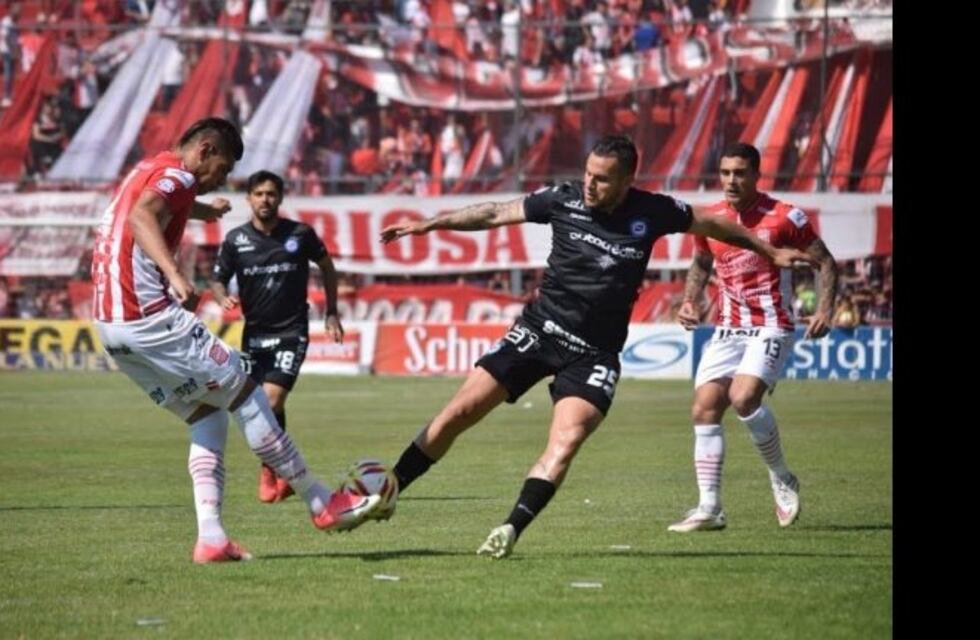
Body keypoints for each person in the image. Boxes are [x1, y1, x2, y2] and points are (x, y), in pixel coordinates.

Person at [379, 134, 813, 558]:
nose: (590, 184)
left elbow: (714, 223)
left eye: (602, 179)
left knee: (565, 442)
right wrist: (430, 223)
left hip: (593, 356)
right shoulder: (562, 198)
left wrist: (767, 251)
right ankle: (389, 489)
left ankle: (511, 528)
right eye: (588, 174)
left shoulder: (655, 210)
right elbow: (494, 212)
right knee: (460, 412)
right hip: (538, 332)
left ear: (627, 182)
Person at [90, 118, 378, 564]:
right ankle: (323, 503)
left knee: (207, 414)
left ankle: (212, 538)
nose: (217, 180)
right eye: (220, 169)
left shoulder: (148, 168)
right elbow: (142, 215)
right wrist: (174, 274)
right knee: (248, 394)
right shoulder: (180, 175)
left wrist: (204, 210)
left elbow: (150, 203)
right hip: (146, 314)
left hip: (111, 329)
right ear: (205, 149)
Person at [669, 142, 838, 533]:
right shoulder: (709, 218)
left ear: (756, 175)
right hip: (728, 327)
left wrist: (826, 309)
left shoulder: (784, 217)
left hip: (771, 323)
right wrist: (690, 301)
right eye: (725, 173)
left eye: (739, 173)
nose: (731, 180)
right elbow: (701, 261)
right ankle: (710, 508)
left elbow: (825, 261)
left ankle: (781, 476)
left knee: (743, 397)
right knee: (704, 409)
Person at [210, 170, 345, 504]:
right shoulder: (235, 240)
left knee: (272, 400)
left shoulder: (300, 234)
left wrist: (331, 312)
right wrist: (220, 296)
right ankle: (278, 467)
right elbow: (217, 279)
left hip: (291, 330)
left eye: (271, 194)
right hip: (254, 333)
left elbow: (327, 267)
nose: (265, 200)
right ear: (249, 199)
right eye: (258, 194)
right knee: (259, 407)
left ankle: (271, 469)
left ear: (280, 198)